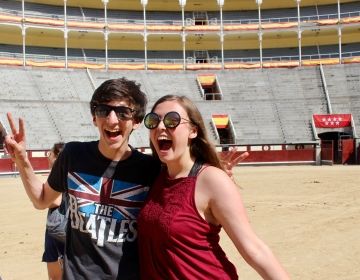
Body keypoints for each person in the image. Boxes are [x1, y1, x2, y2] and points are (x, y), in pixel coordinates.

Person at [4, 78, 246, 279]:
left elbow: (188, 193)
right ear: (94, 118)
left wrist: (211, 175)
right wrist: (23, 161)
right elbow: (42, 199)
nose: (112, 120)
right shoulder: (73, 155)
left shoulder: (152, 169)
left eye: (122, 112)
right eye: (103, 110)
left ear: (137, 122)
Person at [137, 95, 290, 280]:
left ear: (193, 131)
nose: (160, 127)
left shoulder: (211, 180)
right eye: (153, 121)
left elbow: (254, 249)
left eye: (172, 120)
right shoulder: (155, 176)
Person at [42, 142, 65, 280]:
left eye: (50, 153)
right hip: (59, 226)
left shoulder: (58, 176)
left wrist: (41, 201)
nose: (47, 156)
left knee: (56, 276)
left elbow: (54, 201)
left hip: (58, 229)